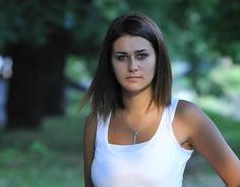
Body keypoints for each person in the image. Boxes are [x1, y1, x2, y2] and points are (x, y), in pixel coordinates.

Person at [81, 13, 240, 187]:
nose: (132, 66)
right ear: (110, 64)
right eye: (122, 57)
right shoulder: (96, 123)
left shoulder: (185, 116)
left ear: (158, 59)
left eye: (141, 55)